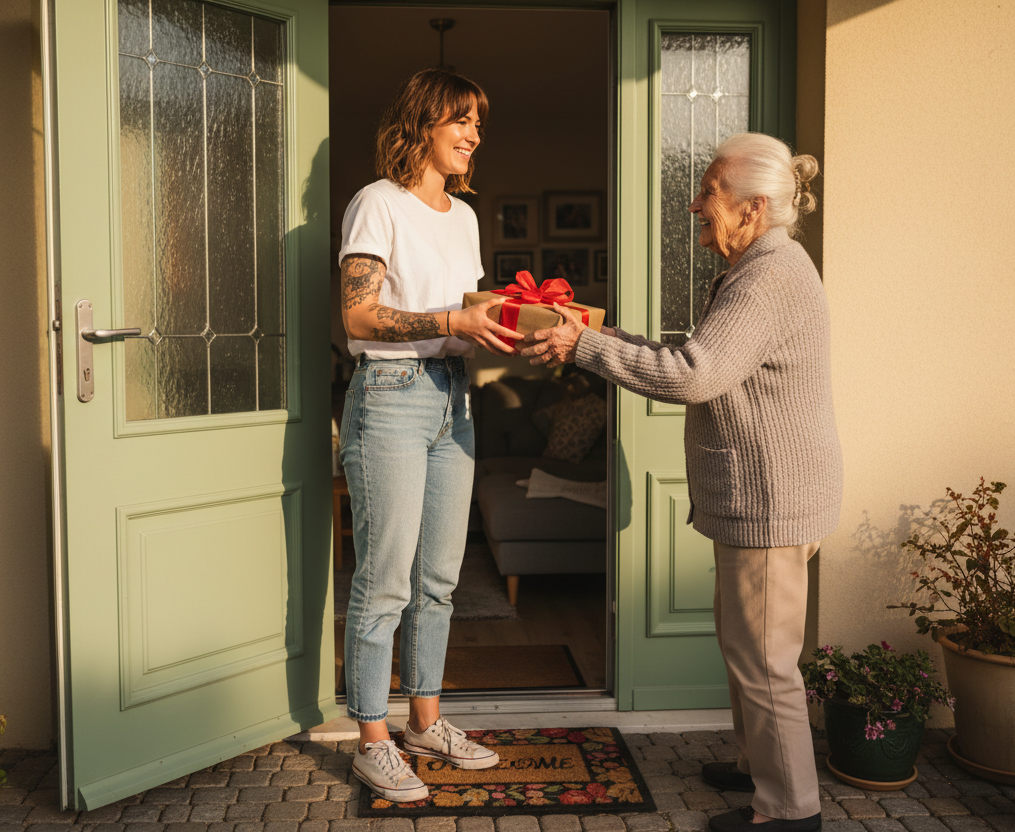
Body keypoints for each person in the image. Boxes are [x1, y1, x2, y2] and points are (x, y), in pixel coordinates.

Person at [520, 132, 841, 832]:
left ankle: (790, 810)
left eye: (710, 191)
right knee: (746, 648)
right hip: (766, 495)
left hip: (770, 500)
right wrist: (600, 333)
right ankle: (763, 767)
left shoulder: (769, 276)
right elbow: (699, 355)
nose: (696, 203)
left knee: (764, 662)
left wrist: (583, 346)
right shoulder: (761, 266)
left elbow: (696, 376)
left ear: (753, 207)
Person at [336, 68, 521, 803]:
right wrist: (450, 323)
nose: (475, 134)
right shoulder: (376, 204)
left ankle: (425, 721)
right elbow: (359, 316)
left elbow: (464, 320)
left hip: (454, 398)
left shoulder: (465, 218)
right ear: (422, 124)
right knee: (383, 582)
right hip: (389, 395)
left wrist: (509, 330)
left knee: (439, 580)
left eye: (479, 121)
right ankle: (372, 740)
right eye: (462, 120)